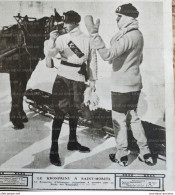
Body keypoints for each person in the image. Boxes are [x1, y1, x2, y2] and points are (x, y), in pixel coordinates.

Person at [85, 3, 153, 166]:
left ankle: (121, 155)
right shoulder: (138, 34)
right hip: (135, 85)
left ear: (128, 17)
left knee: (119, 120)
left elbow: (107, 55)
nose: (116, 19)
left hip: (121, 86)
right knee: (133, 117)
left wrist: (94, 34)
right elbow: (139, 59)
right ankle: (145, 153)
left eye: (119, 16)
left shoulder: (128, 36)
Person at [44, 10, 97, 166]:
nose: (64, 25)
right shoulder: (62, 39)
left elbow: (92, 61)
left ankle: (72, 142)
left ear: (75, 23)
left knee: (75, 111)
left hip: (79, 79)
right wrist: (51, 41)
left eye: (66, 22)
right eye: (64, 22)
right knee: (59, 114)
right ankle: (54, 150)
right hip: (63, 78)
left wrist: (93, 81)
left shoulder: (87, 40)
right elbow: (50, 54)